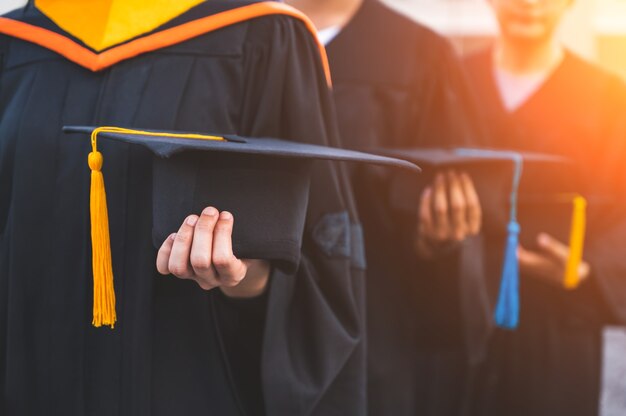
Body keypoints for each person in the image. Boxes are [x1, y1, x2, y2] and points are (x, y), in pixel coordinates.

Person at [0, 1, 367, 415]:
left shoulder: (263, 34)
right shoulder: (13, 43)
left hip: (189, 384)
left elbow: (321, 254)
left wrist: (245, 280)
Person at [285, 1, 486, 415]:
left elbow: (447, 224)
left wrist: (437, 240)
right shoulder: (230, 34)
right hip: (247, 314)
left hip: (377, 327)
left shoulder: (420, 53)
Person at [464, 0, 626, 414]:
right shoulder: (451, 79)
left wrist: (588, 266)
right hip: (454, 315)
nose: (528, 3)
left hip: (560, 321)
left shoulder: (610, 96)